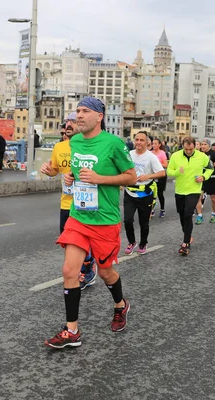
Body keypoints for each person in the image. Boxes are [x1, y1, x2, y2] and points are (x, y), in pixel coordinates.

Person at [45, 97, 136, 349]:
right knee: (69, 271)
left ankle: (120, 305)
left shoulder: (114, 144)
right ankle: (71, 331)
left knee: (106, 272)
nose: (79, 115)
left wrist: (99, 178)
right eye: (77, 111)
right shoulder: (74, 141)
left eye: (85, 111)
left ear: (100, 116)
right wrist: (70, 177)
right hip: (79, 216)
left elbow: (131, 177)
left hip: (105, 220)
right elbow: (74, 171)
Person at [40, 111, 97, 290]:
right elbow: (55, 169)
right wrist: (49, 171)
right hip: (66, 202)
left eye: (73, 121)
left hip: (87, 202)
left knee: (81, 241)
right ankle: (86, 264)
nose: (70, 125)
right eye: (68, 122)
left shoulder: (91, 146)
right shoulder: (59, 148)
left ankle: (85, 270)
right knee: (68, 242)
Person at [167, 137, 214, 256]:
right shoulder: (175, 156)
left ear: (195, 146)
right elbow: (169, 171)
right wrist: (177, 171)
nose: (188, 151)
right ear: (182, 146)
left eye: (191, 149)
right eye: (186, 149)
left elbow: (210, 168)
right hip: (180, 191)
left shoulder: (202, 156)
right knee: (182, 215)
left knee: (188, 213)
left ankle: (185, 243)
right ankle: (187, 234)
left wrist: (203, 177)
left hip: (194, 190)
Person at [123, 132, 165, 254]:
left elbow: (162, 173)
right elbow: (122, 169)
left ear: (147, 143)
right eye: (137, 140)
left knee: (144, 222)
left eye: (142, 140)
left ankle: (143, 243)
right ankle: (131, 242)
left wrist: (148, 176)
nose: (139, 142)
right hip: (129, 192)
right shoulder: (129, 155)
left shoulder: (151, 157)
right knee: (128, 220)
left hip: (145, 193)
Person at [196, 141, 215, 223]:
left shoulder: (214, 154)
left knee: (213, 197)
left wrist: (214, 164)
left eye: (205, 144)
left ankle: (214, 213)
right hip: (201, 178)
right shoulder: (198, 154)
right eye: (201, 144)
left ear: (209, 145)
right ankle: (199, 215)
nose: (203, 146)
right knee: (198, 197)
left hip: (211, 178)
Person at [151, 137, 169, 218]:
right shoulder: (150, 153)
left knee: (159, 193)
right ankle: (151, 209)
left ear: (159, 145)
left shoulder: (162, 153)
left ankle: (162, 209)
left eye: (155, 144)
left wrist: (157, 163)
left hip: (161, 176)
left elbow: (166, 165)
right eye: (153, 144)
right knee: (151, 193)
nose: (154, 145)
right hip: (152, 175)